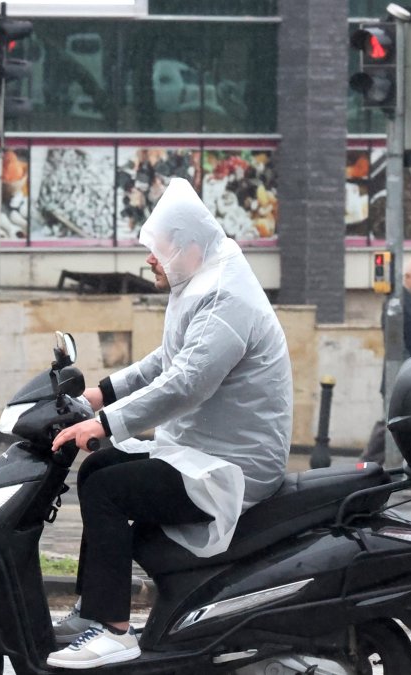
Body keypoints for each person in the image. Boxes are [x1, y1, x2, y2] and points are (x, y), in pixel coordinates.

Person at [44, 178, 293, 669]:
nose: (151, 260)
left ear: (190, 247)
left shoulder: (225, 297)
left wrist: (106, 424)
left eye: (159, 250)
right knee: (97, 471)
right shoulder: (202, 282)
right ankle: (92, 610)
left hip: (233, 468)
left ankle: (114, 632)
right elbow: (168, 360)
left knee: (107, 489)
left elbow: (187, 383)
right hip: (200, 451)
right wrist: (100, 395)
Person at [361, 255, 411, 465]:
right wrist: (409, 376)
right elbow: (397, 346)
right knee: (391, 423)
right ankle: (366, 465)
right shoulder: (397, 303)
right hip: (405, 378)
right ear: (408, 277)